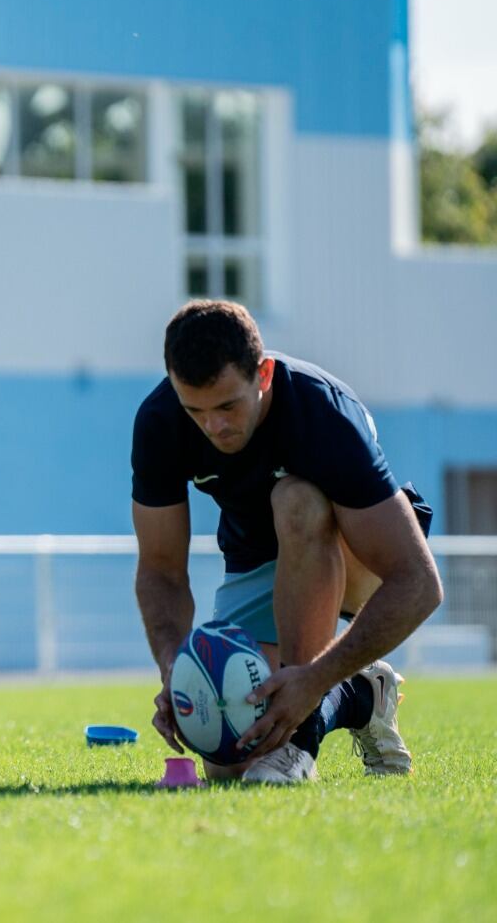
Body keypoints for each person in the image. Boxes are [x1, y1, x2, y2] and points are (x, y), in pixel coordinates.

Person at [131, 300, 443, 783]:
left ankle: (303, 740)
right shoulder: (160, 421)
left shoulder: (323, 413)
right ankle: (360, 695)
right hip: (259, 560)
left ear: (264, 374)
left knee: (297, 500)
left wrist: (314, 678)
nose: (214, 426)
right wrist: (175, 668)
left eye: (228, 406)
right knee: (229, 754)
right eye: (196, 410)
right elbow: (160, 570)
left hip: (357, 551)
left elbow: (419, 583)